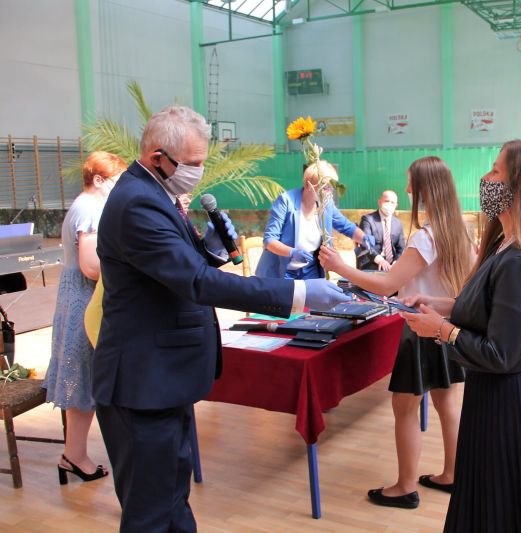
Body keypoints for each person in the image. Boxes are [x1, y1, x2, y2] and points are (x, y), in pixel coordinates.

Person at [92, 105, 349, 532]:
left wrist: (208, 248)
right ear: (158, 157)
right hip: (141, 382)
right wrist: (299, 293)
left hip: (163, 377)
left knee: (173, 501)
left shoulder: (154, 193)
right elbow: (195, 282)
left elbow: (173, 269)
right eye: (193, 163)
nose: (199, 171)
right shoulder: (137, 202)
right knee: (150, 513)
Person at [402, 140, 521, 532]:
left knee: (506, 510)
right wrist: (438, 304)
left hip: (515, 400)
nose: (486, 179)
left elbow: (500, 353)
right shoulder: (504, 242)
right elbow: (490, 307)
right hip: (499, 394)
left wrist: (441, 331)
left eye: (496, 171)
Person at [319, 156, 474, 509]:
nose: (406, 190)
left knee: (404, 408)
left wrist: (341, 267)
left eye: (411, 185)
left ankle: (405, 486)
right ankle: (453, 474)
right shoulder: (460, 230)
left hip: (421, 328)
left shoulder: (426, 236)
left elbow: (388, 284)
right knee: (447, 402)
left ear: (426, 189)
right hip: (448, 325)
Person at [42, 151, 126, 485]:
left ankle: (73, 454)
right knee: (82, 375)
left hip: (81, 295)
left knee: (85, 377)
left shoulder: (89, 205)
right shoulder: (89, 207)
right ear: (99, 179)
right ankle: (73, 455)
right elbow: (91, 266)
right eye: (115, 181)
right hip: (84, 297)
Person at [255, 160, 375, 279]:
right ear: (309, 185)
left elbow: (346, 226)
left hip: (310, 270)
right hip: (282, 271)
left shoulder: (327, 204)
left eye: (332, 187)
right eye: (325, 187)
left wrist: (364, 238)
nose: (330, 192)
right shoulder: (286, 201)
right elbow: (269, 240)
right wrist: (292, 252)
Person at [355, 190, 405, 271]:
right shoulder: (368, 220)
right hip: (372, 262)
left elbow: (401, 248)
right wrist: (380, 261)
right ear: (380, 202)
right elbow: (366, 245)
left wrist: (396, 263)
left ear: (396, 205)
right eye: (387, 201)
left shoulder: (398, 223)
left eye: (393, 202)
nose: (389, 204)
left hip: (392, 264)